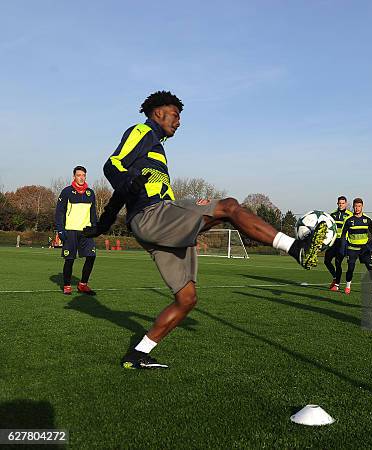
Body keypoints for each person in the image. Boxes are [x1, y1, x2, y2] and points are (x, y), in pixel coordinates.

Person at [84, 91, 326, 369]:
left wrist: (102, 225)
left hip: (151, 223)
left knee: (186, 300)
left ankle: (138, 354)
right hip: (154, 215)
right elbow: (112, 164)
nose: (178, 122)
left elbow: (121, 194)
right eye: (175, 115)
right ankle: (296, 248)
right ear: (158, 112)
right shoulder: (142, 131)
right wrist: (127, 184)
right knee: (229, 207)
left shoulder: (155, 148)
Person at [54, 166, 97, 295]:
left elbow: (93, 213)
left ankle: (83, 284)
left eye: (83, 175)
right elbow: (59, 212)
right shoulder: (66, 192)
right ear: (74, 177)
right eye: (79, 175)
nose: (81, 177)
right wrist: (60, 230)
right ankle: (67, 285)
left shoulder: (90, 193)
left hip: (86, 232)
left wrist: (95, 227)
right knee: (70, 259)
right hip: (70, 231)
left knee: (91, 256)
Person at [338, 198, 372, 295]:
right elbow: (343, 235)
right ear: (353, 207)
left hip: (364, 249)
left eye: (359, 206)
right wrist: (344, 248)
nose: (357, 208)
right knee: (350, 268)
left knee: (370, 268)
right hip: (352, 249)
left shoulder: (368, 220)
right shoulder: (348, 220)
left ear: (362, 206)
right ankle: (348, 286)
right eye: (355, 206)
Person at [324, 196, 353, 291]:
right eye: (339, 203)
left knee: (337, 262)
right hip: (333, 241)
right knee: (326, 261)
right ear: (337, 204)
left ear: (346, 204)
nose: (341, 205)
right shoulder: (332, 214)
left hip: (343, 242)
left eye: (343, 203)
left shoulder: (350, 215)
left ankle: (336, 285)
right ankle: (335, 277)